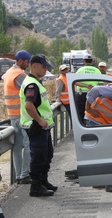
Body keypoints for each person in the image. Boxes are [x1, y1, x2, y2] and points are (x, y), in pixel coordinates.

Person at [20, 55, 56, 197]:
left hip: (42, 127)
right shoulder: (31, 84)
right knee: (39, 156)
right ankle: (35, 187)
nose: (46, 69)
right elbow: (28, 105)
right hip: (36, 126)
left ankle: (43, 181)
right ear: (34, 66)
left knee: (47, 154)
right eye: (43, 66)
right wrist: (40, 120)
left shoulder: (36, 82)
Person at [2, 50, 32, 185]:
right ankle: (25, 174)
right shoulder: (19, 75)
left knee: (18, 146)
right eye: (27, 62)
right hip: (22, 115)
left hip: (13, 115)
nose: (28, 64)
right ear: (20, 61)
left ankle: (19, 175)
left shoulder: (8, 73)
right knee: (29, 145)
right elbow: (30, 93)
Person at [74, 53, 101, 123]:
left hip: (81, 95)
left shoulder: (80, 70)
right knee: (93, 113)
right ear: (92, 61)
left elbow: (75, 82)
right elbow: (101, 84)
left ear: (84, 61)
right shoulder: (97, 71)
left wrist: (85, 86)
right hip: (94, 95)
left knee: (80, 114)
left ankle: (82, 127)